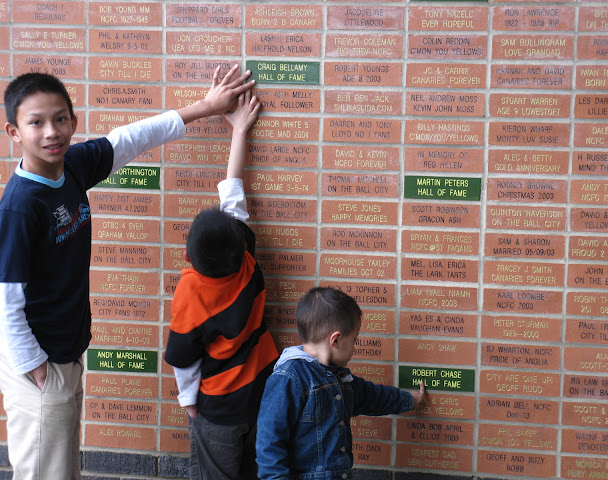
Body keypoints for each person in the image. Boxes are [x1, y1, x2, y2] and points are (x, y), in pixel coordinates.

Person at [0, 64, 255, 480]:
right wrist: (36, 367)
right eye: (36, 123)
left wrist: (206, 107)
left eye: (60, 119)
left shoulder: (72, 166)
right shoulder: (20, 207)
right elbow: (6, 300)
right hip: (40, 364)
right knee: (44, 472)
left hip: (65, 353)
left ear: (73, 121)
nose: (51, 132)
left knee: (61, 469)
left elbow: (132, 137)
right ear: (14, 132)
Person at [164, 89, 279, 480]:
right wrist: (240, 130)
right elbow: (232, 192)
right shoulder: (245, 257)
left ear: (188, 257)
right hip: (263, 389)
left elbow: (183, 358)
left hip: (220, 407)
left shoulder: (191, 293)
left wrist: (188, 401)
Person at [256, 287, 428, 480]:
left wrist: (409, 400)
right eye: (354, 340)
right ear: (336, 340)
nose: (354, 348)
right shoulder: (288, 378)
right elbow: (269, 442)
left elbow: (371, 396)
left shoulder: (339, 377)